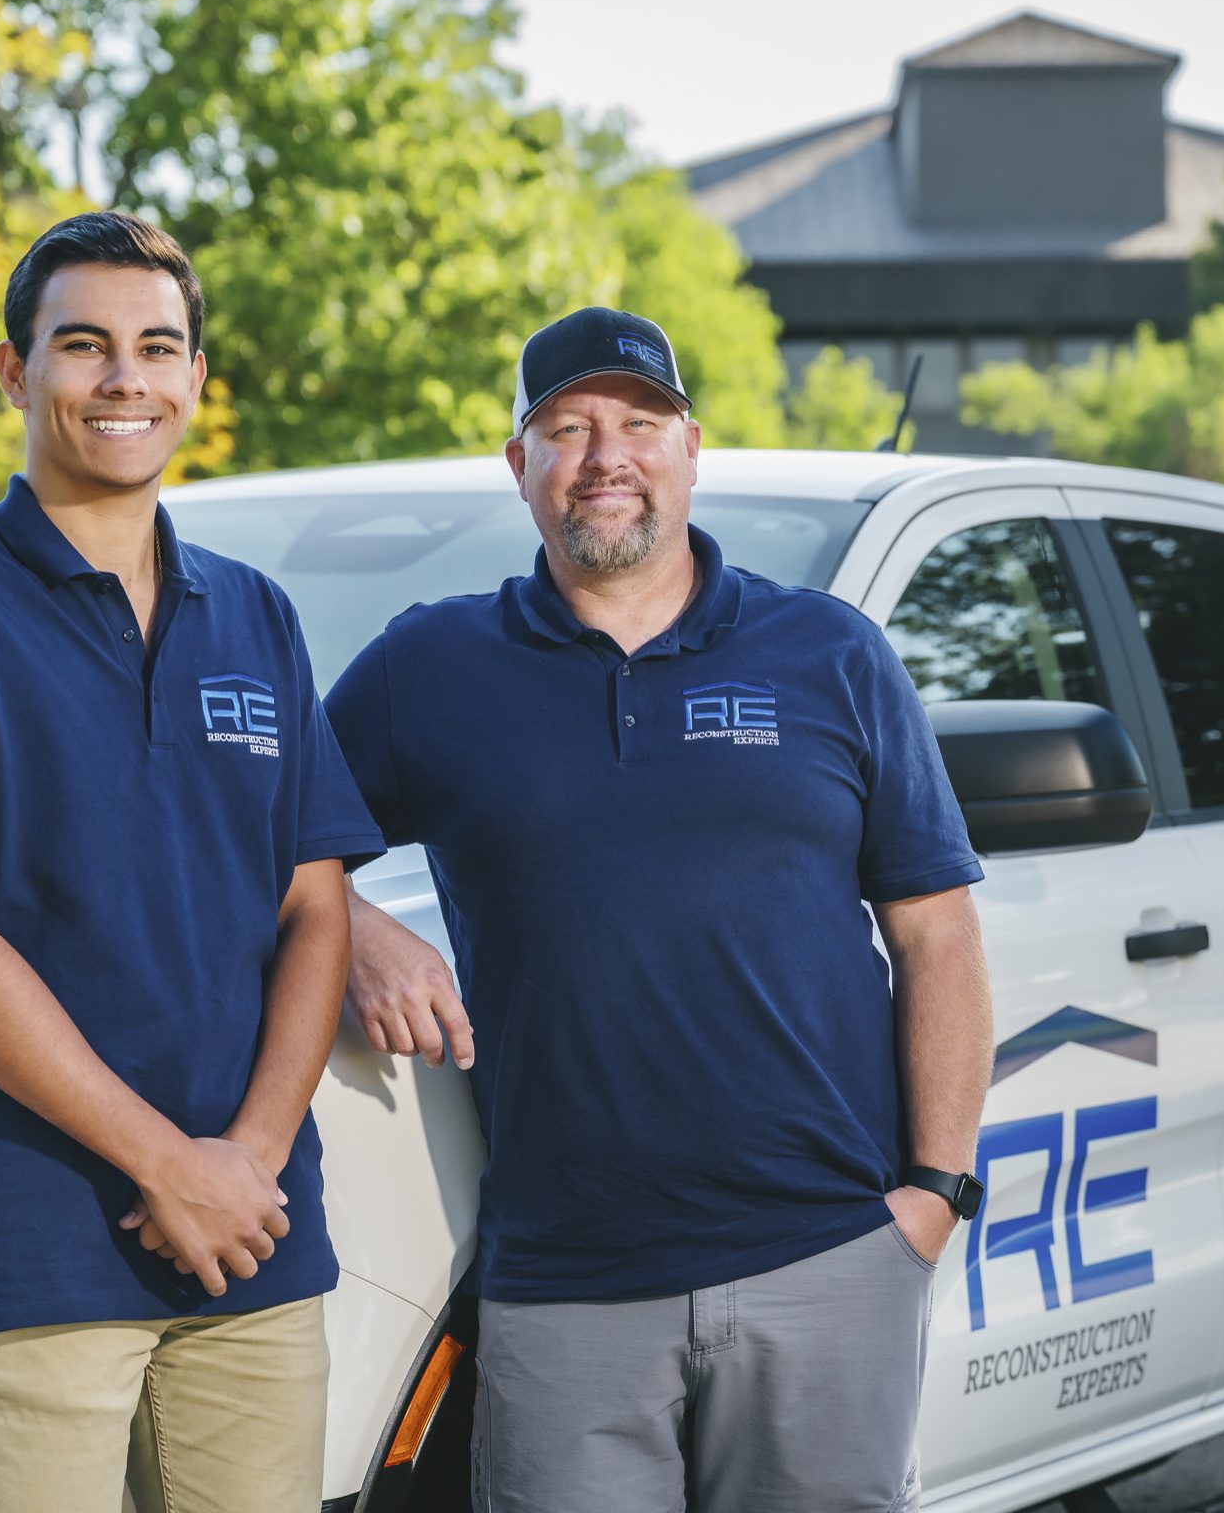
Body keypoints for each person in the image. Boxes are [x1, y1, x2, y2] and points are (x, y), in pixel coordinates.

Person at [324, 307, 996, 1511]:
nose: (605, 457)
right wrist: (359, 932)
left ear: (692, 447)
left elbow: (937, 932)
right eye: (567, 428)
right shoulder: (430, 670)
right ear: (518, 464)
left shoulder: (831, 655)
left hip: (829, 1256)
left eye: (639, 424)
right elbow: (257, 832)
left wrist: (934, 1197)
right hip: (563, 1283)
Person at [0, 211, 383, 1513]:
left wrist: (242, 1157)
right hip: (30, 1240)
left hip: (255, 1238)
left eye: (156, 346)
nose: (124, 377)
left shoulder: (256, 613)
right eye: (83, 345)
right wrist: (164, 1163)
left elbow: (316, 911)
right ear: (19, 374)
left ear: (195, 377)